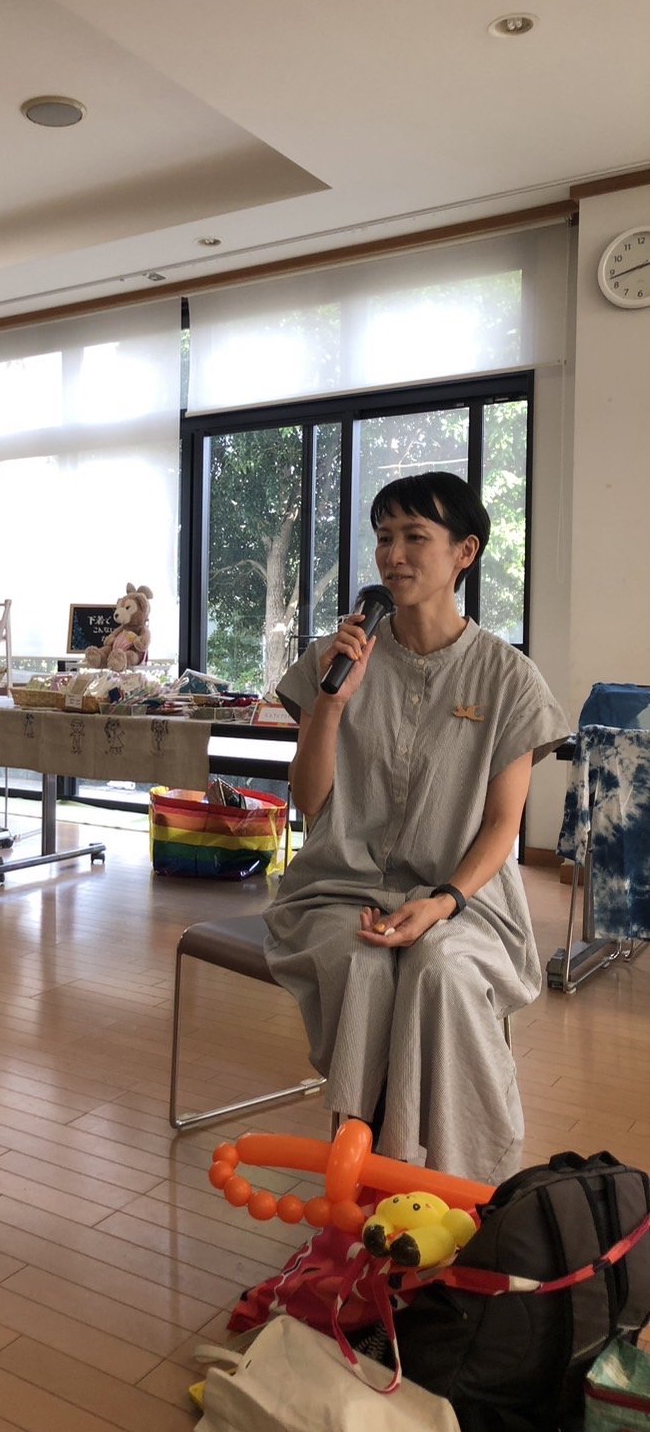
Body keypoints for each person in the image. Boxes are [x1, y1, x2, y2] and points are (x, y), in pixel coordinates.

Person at [263, 472, 568, 1184]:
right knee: (362, 963)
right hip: (339, 889)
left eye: (413, 537)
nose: (392, 555)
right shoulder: (333, 658)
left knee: (441, 969)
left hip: (465, 898)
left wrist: (443, 902)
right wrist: (333, 702)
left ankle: (462, 1188)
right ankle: (362, 1185)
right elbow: (310, 801)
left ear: (464, 552)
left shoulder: (508, 678)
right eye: (383, 538)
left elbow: (503, 825)